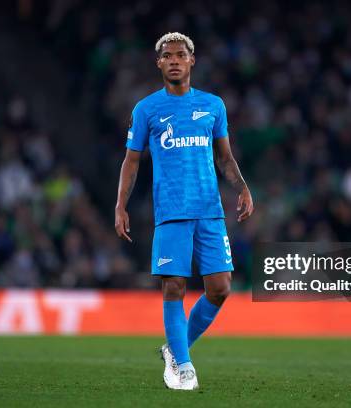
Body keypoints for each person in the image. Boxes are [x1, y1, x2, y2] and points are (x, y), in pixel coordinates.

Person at [115, 32, 254, 390]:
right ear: (158, 63)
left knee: (220, 287)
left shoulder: (213, 106)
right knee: (174, 287)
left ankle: (175, 349)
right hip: (172, 212)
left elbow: (224, 157)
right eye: (167, 55)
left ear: (192, 61)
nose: (174, 60)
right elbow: (131, 162)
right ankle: (184, 366)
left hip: (210, 211)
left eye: (181, 55)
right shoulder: (146, 109)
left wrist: (242, 188)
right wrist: (121, 204)